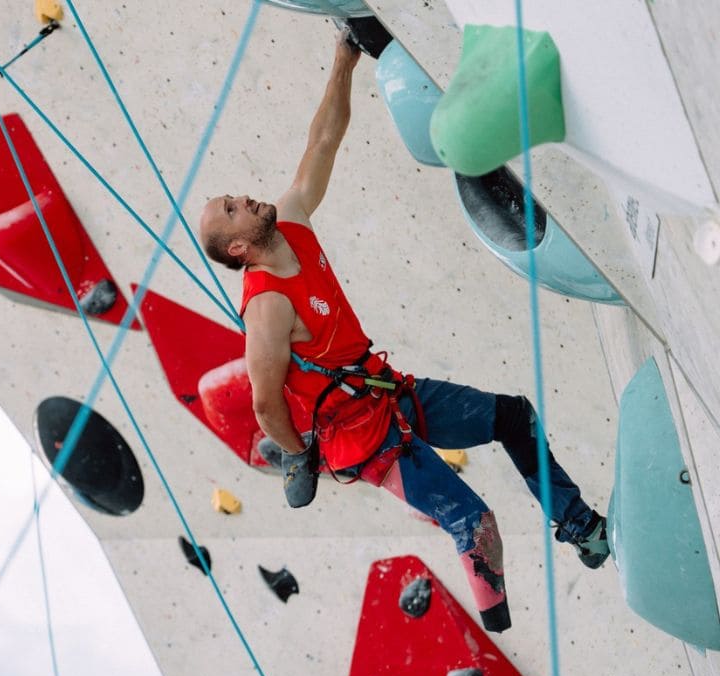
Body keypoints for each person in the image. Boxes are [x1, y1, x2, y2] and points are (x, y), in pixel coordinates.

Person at [197, 31, 607, 633]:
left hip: (388, 390)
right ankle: (495, 623)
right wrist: (300, 455)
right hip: (363, 439)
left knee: (514, 417)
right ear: (238, 248)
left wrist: (344, 55)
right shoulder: (266, 308)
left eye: (233, 197)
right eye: (232, 209)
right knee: (475, 524)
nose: (244, 198)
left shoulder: (292, 221)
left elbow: (323, 140)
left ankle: (580, 528)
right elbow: (264, 402)